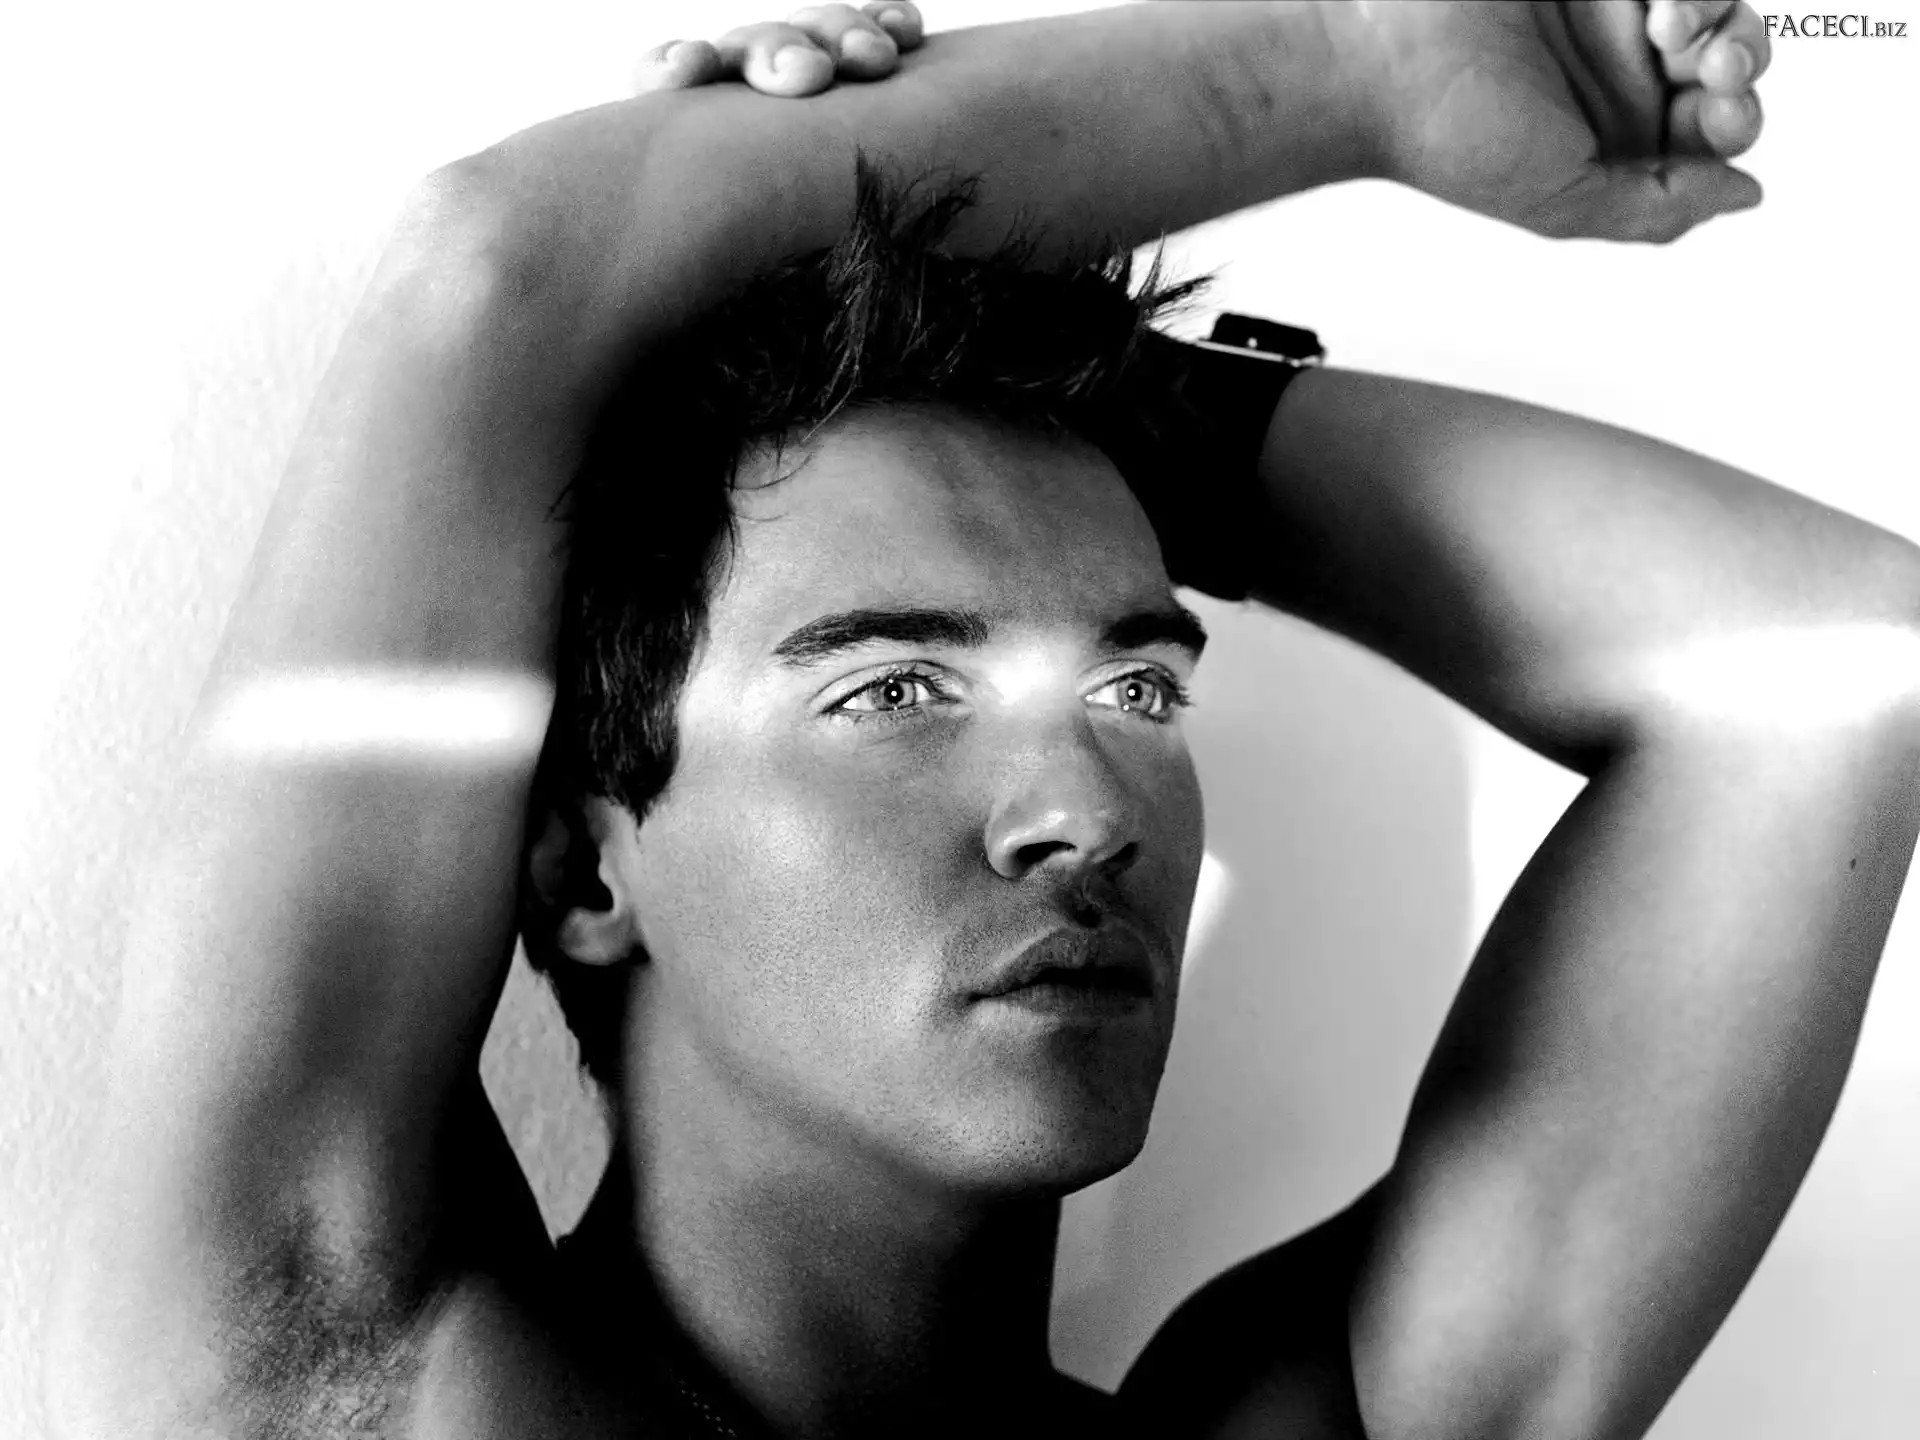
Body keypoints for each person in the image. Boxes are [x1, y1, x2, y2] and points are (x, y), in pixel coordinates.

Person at [44, 2, 1920, 1437]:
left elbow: (1838, 662)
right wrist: (1350, 59)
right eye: (897, 690)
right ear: (587, 870)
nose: (1087, 808)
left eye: (1134, 686)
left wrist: (1090, 385)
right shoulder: (340, 1376)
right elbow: (499, 270)